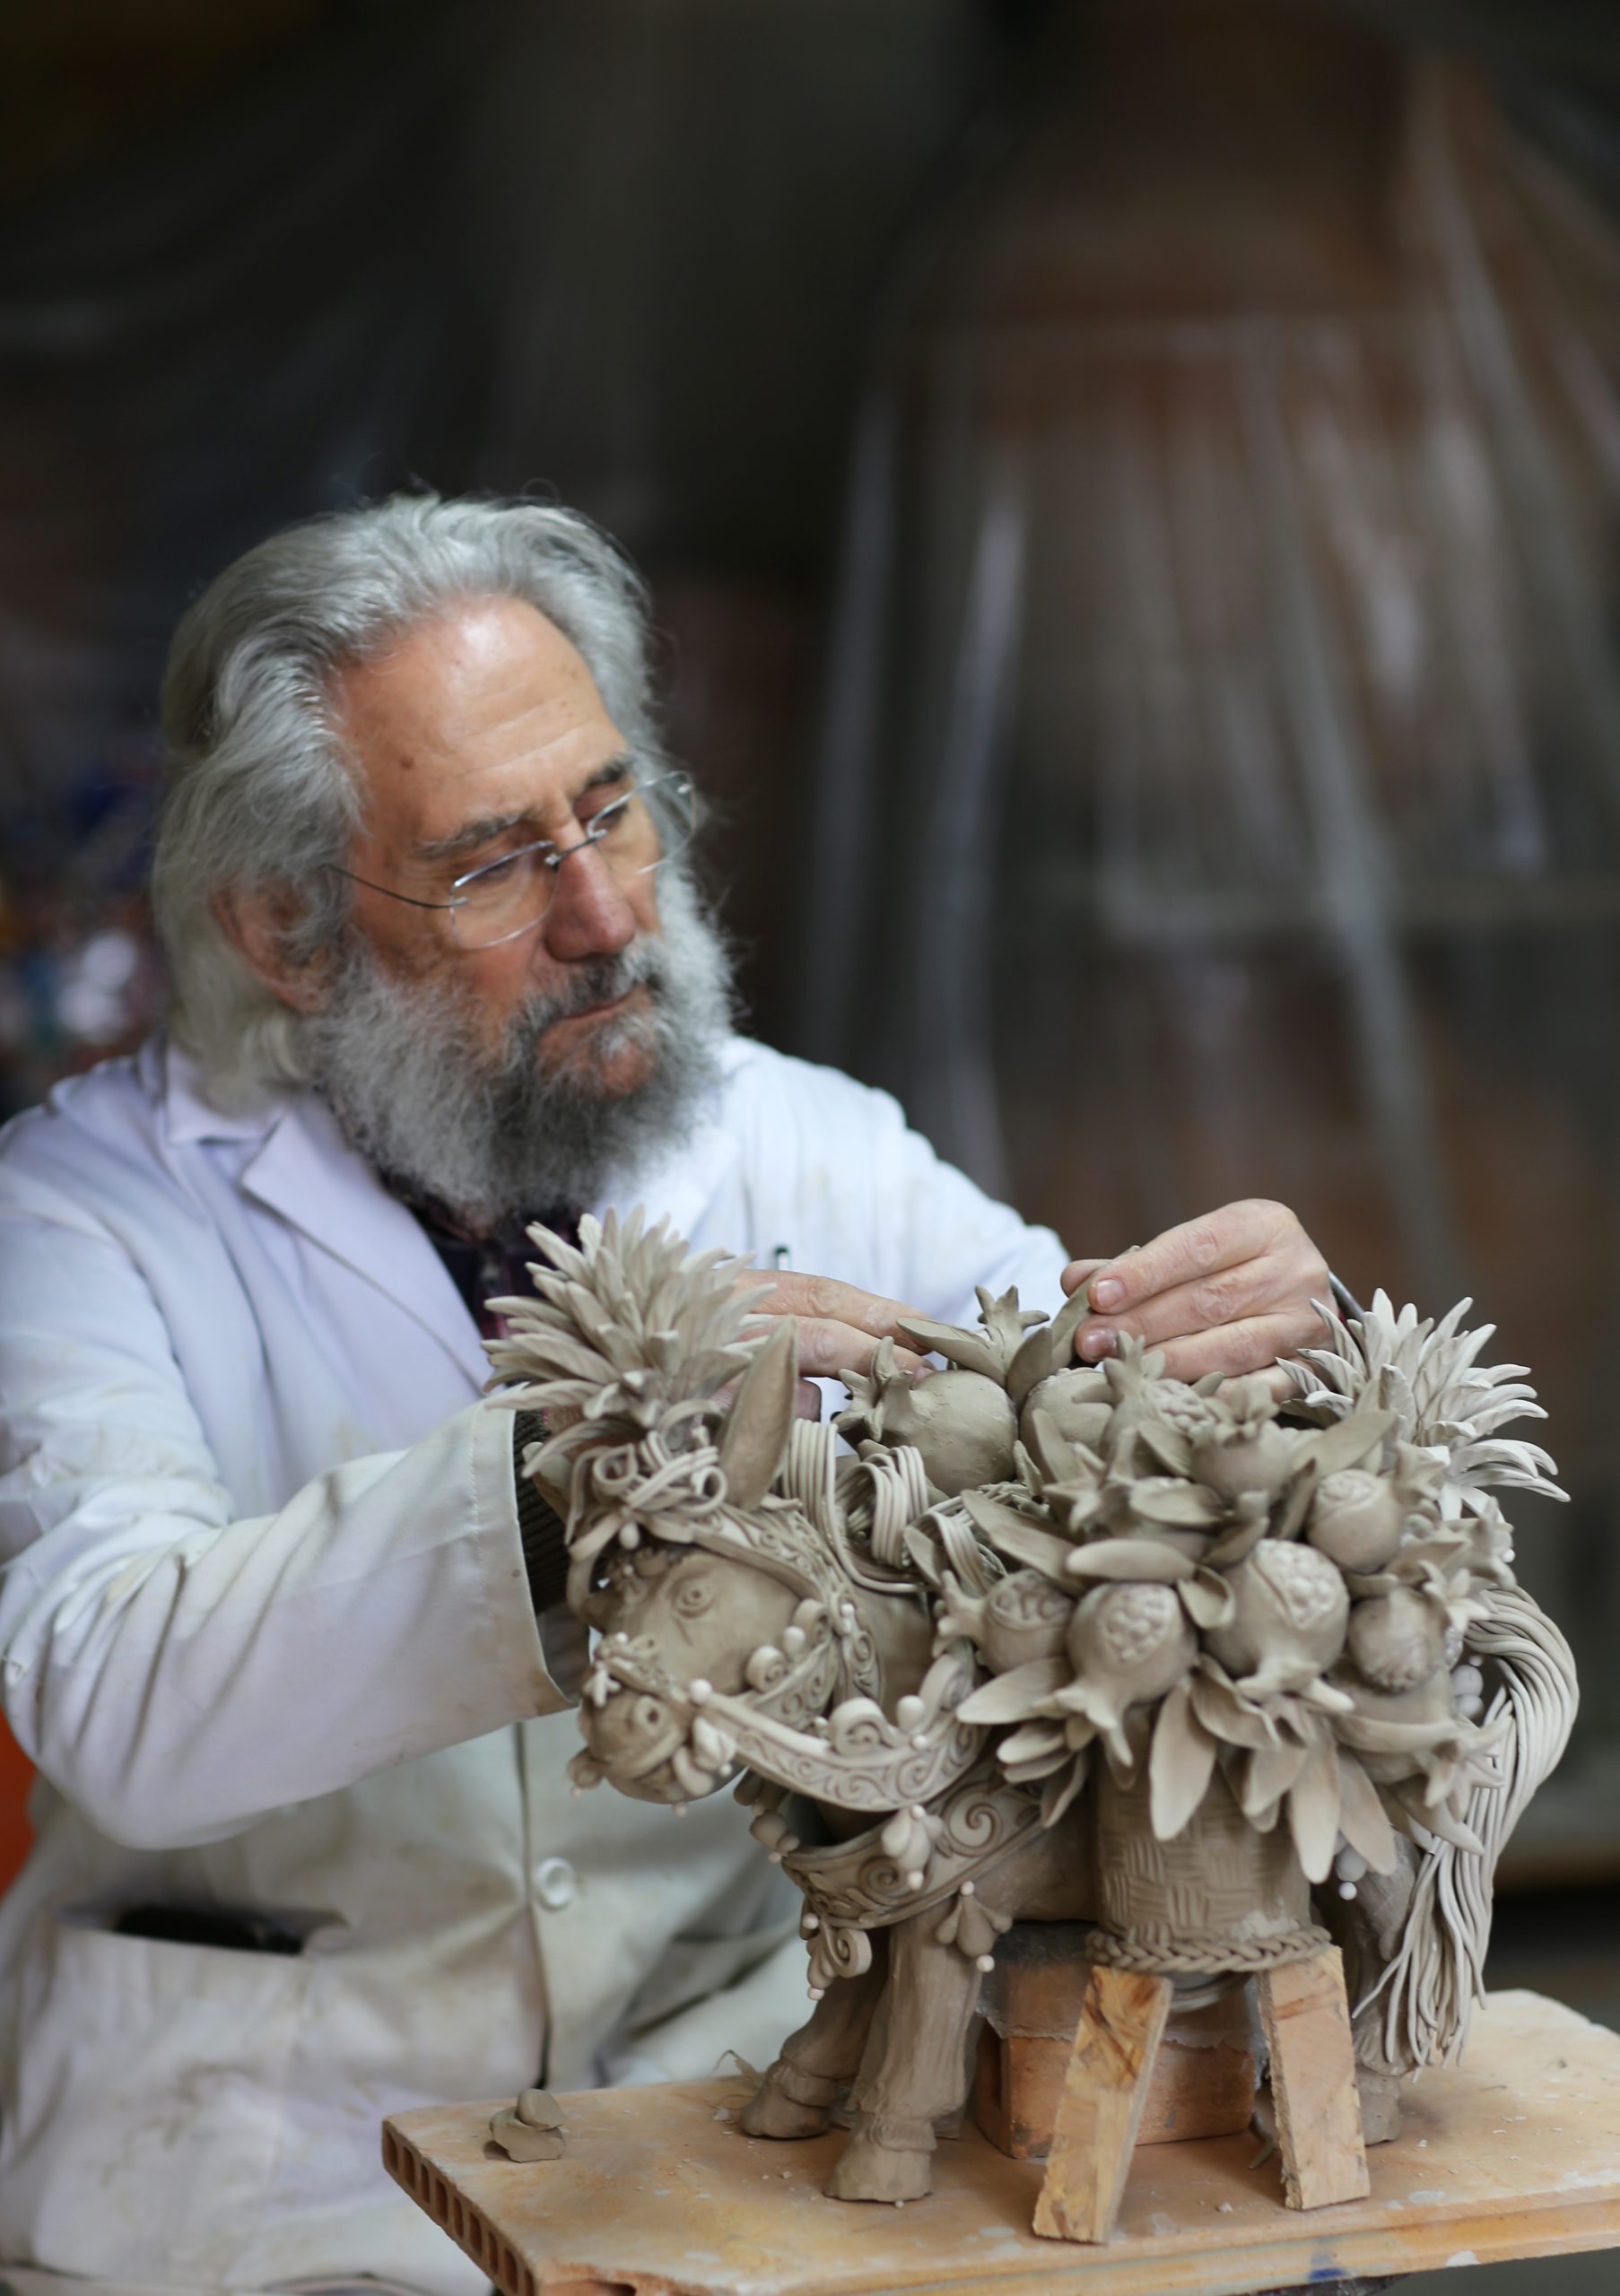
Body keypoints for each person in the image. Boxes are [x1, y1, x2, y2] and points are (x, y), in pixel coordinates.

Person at [0, 495, 1333, 2294]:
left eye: (610, 806)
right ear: (290, 932)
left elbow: (1083, 1415)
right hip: (261, 2167)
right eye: (493, 864)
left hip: (717, 2119)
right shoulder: (79, 1212)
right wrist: (575, 1466)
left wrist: (1263, 1349)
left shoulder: (804, 1143)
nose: (607, 909)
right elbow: (113, 1693)